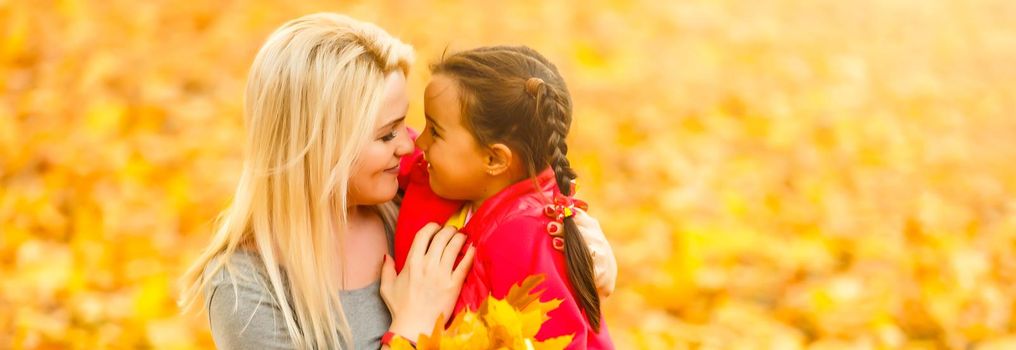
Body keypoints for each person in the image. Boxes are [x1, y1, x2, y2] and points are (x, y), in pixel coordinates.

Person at [389, 45, 614, 349]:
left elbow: (558, 340)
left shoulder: (523, 236)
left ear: (495, 159)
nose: (420, 141)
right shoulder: (453, 180)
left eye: (436, 131)